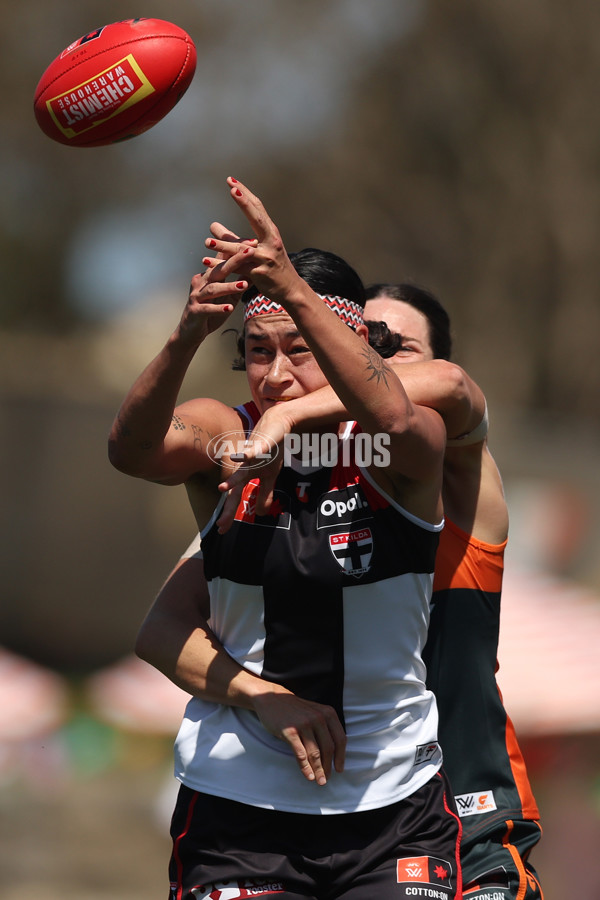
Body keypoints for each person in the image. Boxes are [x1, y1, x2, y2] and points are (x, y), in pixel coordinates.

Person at [109, 178, 462, 900]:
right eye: (257, 350)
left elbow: (398, 418)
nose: (274, 376)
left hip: (393, 810)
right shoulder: (226, 436)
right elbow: (132, 452)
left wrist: (290, 287)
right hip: (240, 813)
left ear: (348, 347)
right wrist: (184, 336)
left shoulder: (398, 449)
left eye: (298, 350)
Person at [140, 280, 544, 900]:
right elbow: (162, 629)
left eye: (391, 349)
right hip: (324, 809)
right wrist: (259, 694)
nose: (365, 368)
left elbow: (444, 393)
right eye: (354, 346)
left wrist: (293, 411)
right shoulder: (274, 500)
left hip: (469, 811)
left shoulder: (448, 466)